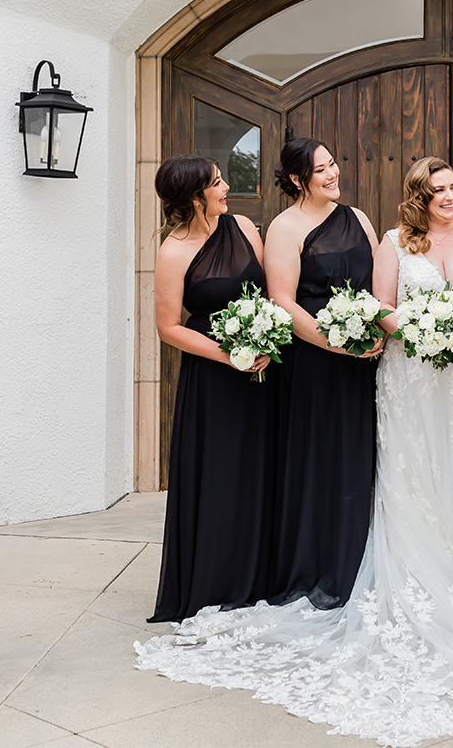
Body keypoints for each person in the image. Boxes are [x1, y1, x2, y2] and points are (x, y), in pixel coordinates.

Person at [135, 157, 453, 747]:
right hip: (408, 376)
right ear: (417, 197)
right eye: (438, 189)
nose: (450, 196)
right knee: (407, 474)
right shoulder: (390, 241)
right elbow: (379, 305)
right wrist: (413, 327)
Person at [147, 155, 274, 624]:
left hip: (261, 372)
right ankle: (215, 579)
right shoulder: (173, 251)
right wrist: (227, 355)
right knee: (219, 474)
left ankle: (259, 576)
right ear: (195, 197)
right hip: (212, 379)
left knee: (259, 472)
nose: (226, 188)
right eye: (218, 183)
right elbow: (168, 327)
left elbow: (268, 296)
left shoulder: (244, 227)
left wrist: (266, 339)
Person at [260, 137, 381, 610]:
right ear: (297, 179)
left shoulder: (359, 219)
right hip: (313, 361)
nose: (333, 174)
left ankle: (357, 562)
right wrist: (339, 343)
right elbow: (282, 301)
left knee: (358, 457)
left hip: (363, 360)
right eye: (321, 169)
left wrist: (375, 333)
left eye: (334, 163)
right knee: (318, 459)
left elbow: (377, 284)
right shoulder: (285, 227)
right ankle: (316, 565)